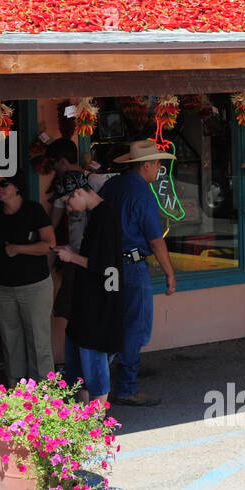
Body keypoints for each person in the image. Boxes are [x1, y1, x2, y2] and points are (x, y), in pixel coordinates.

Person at [97, 140, 177, 406]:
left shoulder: (112, 186)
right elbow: (156, 240)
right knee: (135, 328)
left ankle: (97, 384)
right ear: (145, 165)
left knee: (110, 323)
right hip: (131, 267)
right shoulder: (142, 194)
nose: (159, 169)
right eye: (157, 164)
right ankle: (127, 387)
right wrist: (169, 272)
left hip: (106, 264)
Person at [0, 170, 56, 386]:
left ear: (17, 187)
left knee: (38, 340)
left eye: (4, 184)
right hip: (2, 285)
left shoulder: (33, 210)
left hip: (34, 285)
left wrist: (18, 249)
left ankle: (45, 394)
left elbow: (49, 244)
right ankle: (15, 389)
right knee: (9, 338)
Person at [53, 173, 123, 404]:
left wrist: (72, 257)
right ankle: (84, 419)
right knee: (80, 366)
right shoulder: (96, 216)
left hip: (99, 303)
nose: (69, 208)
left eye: (67, 201)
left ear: (80, 192)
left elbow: (107, 265)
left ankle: (96, 426)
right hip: (89, 302)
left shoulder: (105, 217)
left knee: (94, 365)